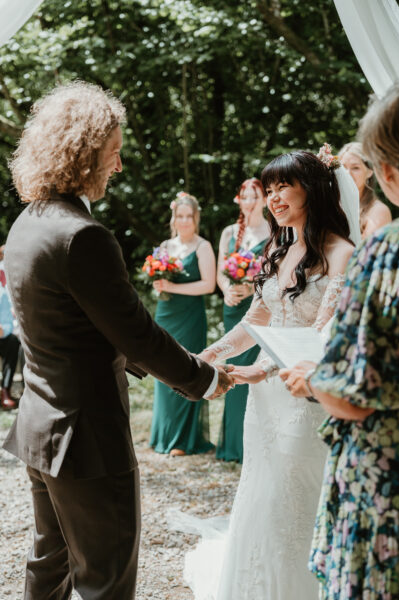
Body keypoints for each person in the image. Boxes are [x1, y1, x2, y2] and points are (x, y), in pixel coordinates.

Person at [2, 81, 233, 600]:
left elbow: (82, 328)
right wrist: (205, 378)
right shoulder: (83, 236)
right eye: (113, 154)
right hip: (86, 438)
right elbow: (137, 332)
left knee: (49, 566)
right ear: (84, 156)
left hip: (41, 427)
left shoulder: (26, 223)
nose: (119, 166)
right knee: (105, 580)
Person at [184, 149, 358, 600]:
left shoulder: (342, 253)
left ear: (313, 191)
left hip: (304, 397)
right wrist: (206, 356)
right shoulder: (278, 247)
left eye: (285, 186)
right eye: (271, 187)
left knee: (297, 498)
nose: (274, 197)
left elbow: (321, 333)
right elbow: (253, 323)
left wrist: (260, 369)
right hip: (264, 400)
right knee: (260, 494)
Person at [280, 85, 399, 600]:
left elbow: (351, 395)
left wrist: (312, 378)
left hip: (385, 491)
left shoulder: (386, 254)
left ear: (389, 173)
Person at [150, 192, 216, 457]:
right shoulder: (165, 246)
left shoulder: (203, 247)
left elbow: (208, 285)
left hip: (190, 317)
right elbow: (158, 281)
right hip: (166, 314)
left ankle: (183, 439)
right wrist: (160, 287)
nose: (185, 221)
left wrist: (173, 286)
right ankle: (163, 434)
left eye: (190, 216)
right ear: (174, 218)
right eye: (180, 216)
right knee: (161, 370)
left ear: (196, 218)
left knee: (186, 370)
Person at [215, 178, 270, 462]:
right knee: (232, 367)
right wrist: (227, 291)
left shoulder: (273, 230)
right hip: (233, 305)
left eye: (255, 197)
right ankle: (232, 444)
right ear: (239, 200)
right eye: (245, 197)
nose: (249, 202)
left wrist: (251, 288)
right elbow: (220, 272)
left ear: (263, 200)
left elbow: (276, 273)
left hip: (259, 305)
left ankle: (254, 444)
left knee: (253, 369)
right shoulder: (229, 232)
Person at [339, 141, 392, 238]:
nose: (347, 173)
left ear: (369, 172)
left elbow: (366, 251)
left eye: (355, 168)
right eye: (343, 167)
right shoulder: (332, 205)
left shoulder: (378, 211)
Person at [0, 266, 20, 410]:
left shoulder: (1, 294)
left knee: (13, 342)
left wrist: (2, 329)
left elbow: (7, 325)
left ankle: (5, 389)